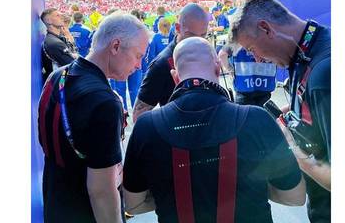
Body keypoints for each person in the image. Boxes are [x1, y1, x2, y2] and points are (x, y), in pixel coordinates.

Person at [122, 37, 306, 222]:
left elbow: (133, 204)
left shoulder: (146, 127)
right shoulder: (258, 119)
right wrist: (253, 188)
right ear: (218, 69)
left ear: (175, 77)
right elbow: (295, 197)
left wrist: (169, 197)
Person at [228, 0, 331, 223]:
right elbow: (313, 108)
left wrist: (294, 150)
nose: (257, 59)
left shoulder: (324, 72)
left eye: (252, 48)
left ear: (266, 28)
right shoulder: (307, 51)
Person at [38, 13, 150, 223]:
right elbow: (102, 192)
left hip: (55, 204)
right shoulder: (104, 103)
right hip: (85, 213)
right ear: (115, 46)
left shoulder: (57, 76)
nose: (139, 66)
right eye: (138, 56)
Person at [132, 3, 210, 123]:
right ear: (178, 28)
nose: (197, 41)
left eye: (203, 35)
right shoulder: (162, 65)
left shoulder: (206, 54)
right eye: (191, 35)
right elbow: (138, 116)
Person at [41, 8, 79, 73]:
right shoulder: (53, 42)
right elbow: (75, 66)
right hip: (61, 78)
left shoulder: (59, 38)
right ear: (48, 21)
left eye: (61, 15)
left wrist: (69, 37)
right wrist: (71, 40)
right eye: (57, 15)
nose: (62, 17)